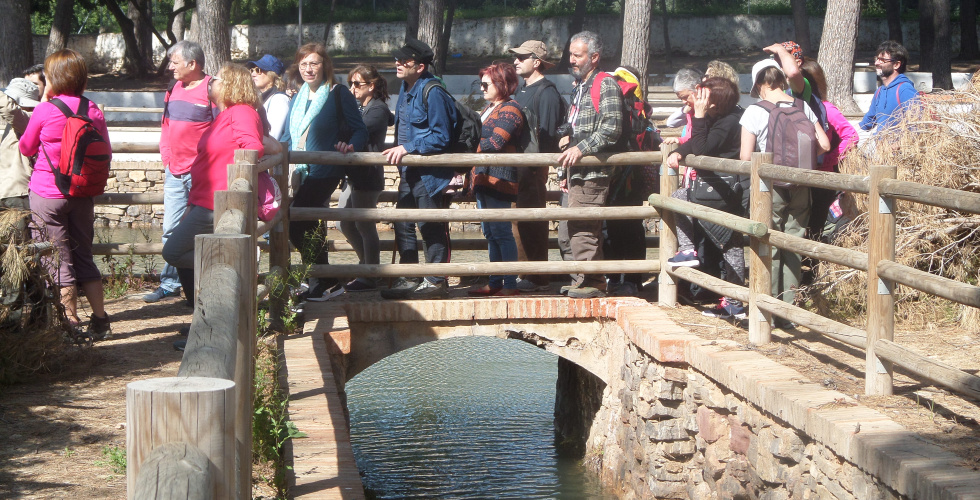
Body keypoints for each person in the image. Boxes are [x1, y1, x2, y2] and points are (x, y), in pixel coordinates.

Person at [19, 49, 111, 341]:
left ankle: (70, 323)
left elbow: (26, 147)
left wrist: (45, 102)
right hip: (82, 193)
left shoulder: (46, 110)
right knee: (84, 255)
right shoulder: (92, 109)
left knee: (57, 259)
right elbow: (105, 148)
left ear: (52, 78)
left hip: (48, 194)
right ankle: (100, 320)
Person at [162, 63, 270, 307]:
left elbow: (253, 148)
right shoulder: (225, 115)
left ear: (230, 85)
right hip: (203, 201)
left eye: (217, 79)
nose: (211, 82)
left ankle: (229, 266)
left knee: (173, 252)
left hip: (218, 203)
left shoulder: (241, 112)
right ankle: (211, 296)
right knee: (181, 251)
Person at [740, 59, 830, 316]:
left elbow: (746, 158)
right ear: (780, 79)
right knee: (793, 242)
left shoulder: (755, 111)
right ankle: (788, 309)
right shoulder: (802, 106)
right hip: (801, 185)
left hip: (770, 187)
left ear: (759, 84)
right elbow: (824, 144)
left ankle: (767, 306)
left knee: (768, 240)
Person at [281, 43, 368, 302]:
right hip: (301, 170)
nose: (308, 69)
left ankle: (327, 278)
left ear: (325, 66)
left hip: (326, 168)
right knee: (312, 224)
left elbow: (359, 129)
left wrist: (352, 145)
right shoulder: (297, 97)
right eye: (304, 64)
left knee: (296, 222)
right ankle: (319, 281)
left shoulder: (338, 93)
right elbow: (288, 135)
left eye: (314, 63)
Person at [664, 77, 748, 319]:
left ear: (715, 101)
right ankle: (733, 301)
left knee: (730, 243)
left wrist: (698, 117)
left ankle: (734, 301)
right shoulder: (721, 118)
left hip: (726, 191)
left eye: (704, 97)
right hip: (715, 189)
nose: (698, 101)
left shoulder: (730, 122)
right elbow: (694, 143)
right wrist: (679, 152)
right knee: (729, 243)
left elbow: (702, 148)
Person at [380, 39, 457, 300]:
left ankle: (436, 281)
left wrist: (408, 147)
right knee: (403, 222)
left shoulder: (433, 92)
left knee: (431, 225)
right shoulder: (405, 87)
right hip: (408, 171)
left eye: (405, 61)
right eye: (397, 59)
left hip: (429, 173)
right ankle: (411, 276)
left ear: (421, 66)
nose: (398, 64)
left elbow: (441, 136)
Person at [148, 40, 217, 304]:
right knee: (170, 229)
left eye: (174, 62)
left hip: (202, 174)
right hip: (174, 172)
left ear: (192, 64)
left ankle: (203, 287)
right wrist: (166, 155)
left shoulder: (212, 88)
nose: (170, 67)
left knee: (204, 232)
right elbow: (165, 124)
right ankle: (170, 283)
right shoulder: (173, 87)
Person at [556, 31, 623, 299]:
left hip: (593, 174)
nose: (571, 60)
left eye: (577, 55)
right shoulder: (580, 86)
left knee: (584, 229)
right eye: (570, 54)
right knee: (567, 231)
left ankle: (593, 281)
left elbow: (612, 128)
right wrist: (565, 169)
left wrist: (580, 149)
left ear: (594, 57)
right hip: (577, 173)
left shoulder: (605, 85)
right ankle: (582, 279)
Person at [510, 39, 565, 292]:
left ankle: (537, 276)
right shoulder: (521, 90)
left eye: (522, 57)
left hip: (532, 170)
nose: (516, 61)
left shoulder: (548, 93)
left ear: (537, 61)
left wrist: (537, 168)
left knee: (531, 222)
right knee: (516, 223)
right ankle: (523, 273)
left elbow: (549, 137)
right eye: (516, 57)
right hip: (516, 168)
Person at [467, 62, 524, 297]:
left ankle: (509, 283)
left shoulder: (510, 109)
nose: (481, 88)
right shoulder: (489, 108)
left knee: (501, 232)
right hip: (483, 177)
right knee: (491, 233)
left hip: (500, 178)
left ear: (501, 84)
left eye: (485, 84)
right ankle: (496, 281)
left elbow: (495, 143)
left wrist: (467, 148)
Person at [336, 65, 393, 292]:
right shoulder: (363, 107)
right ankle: (366, 265)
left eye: (357, 84)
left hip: (368, 175)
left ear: (372, 86)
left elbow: (355, 129)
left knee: (364, 225)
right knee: (345, 223)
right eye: (350, 83)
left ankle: (371, 273)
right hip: (355, 175)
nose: (353, 88)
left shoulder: (377, 109)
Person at [800, 58, 858, 242]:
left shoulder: (827, 109)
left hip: (822, 179)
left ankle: (813, 268)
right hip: (801, 176)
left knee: (815, 225)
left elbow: (851, 136)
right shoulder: (797, 107)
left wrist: (830, 159)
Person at [859, 40, 919, 133]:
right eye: (877, 59)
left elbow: (918, 124)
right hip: (881, 147)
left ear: (896, 64)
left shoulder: (905, 90)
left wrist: (897, 145)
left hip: (903, 147)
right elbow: (868, 122)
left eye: (882, 60)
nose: (876, 63)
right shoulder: (879, 92)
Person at [1, 79, 39, 212]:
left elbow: (8, 109)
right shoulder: (17, 123)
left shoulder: (29, 119)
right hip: (9, 193)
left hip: (18, 195)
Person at [247, 54, 290, 140]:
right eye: (252, 70)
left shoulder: (279, 100)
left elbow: (273, 135)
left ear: (272, 75)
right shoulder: (262, 99)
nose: (253, 74)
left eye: (258, 70)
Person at [663, 68, 702, 146]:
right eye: (681, 99)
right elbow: (689, 137)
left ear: (697, 89)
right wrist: (678, 140)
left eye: (685, 97)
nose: (684, 102)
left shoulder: (709, 111)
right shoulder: (690, 111)